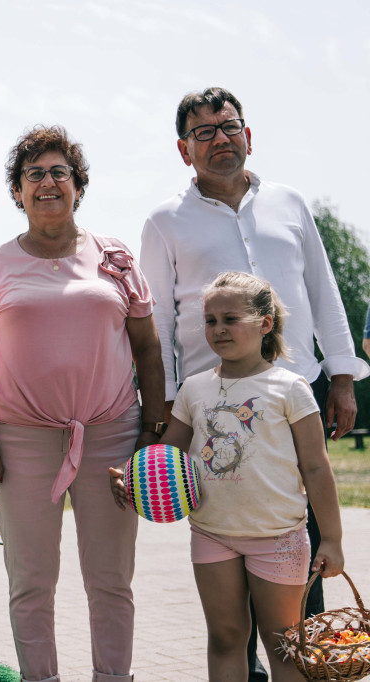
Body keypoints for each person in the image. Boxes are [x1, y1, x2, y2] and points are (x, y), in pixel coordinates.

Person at [140, 86, 368, 680]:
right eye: (204, 132)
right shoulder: (165, 221)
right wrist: (162, 407)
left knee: (301, 538)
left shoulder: (289, 203)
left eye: (229, 126)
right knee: (225, 544)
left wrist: (342, 376)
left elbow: (324, 294)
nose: (221, 138)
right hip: (209, 405)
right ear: (184, 149)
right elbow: (159, 320)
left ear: (249, 134)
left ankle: (299, 662)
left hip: (298, 391)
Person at [0, 125, 163, 682]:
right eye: (34, 174)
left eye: (59, 172)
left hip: (112, 435)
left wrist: (153, 428)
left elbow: (148, 347)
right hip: (21, 437)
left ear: (79, 186)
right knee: (30, 578)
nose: (47, 182)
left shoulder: (116, 257)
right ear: (17, 192)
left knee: (109, 579)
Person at [113, 272, 345, 682]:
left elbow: (316, 467)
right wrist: (132, 483)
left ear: (265, 323)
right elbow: (169, 457)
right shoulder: (194, 389)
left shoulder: (290, 388)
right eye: (210, 320)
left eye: (230, 319)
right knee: (225, 638)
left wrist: (332, 538)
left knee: (283, 645)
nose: (218, 329)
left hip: (279, 538)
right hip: (212, 534)